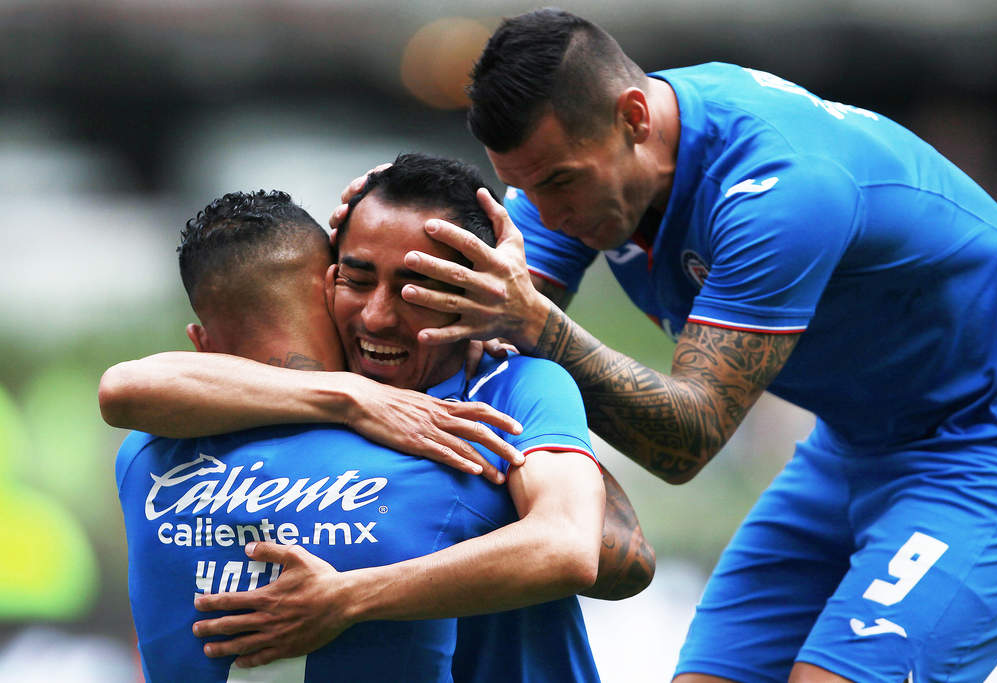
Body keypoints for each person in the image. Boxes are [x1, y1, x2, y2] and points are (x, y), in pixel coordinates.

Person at [354, 9, 997, 683]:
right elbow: (475, 343)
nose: (548, 217)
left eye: (559, 183)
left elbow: (689, 437)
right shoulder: (585, 155)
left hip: (989, 440)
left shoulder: (778, 193)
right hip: (855, 440)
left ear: (634, 119)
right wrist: (373, 231)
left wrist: (541, 329)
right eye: (525, 189)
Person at [102, 154, 654, 680]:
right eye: (358, 280)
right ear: (328, 284)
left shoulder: (509, 386)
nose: (377, 317)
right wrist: (351, 395)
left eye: (417, 289)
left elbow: (579, 547)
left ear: (475, 294)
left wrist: (346, 597)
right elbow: (123, 387)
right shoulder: (327, 406)